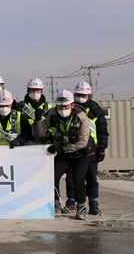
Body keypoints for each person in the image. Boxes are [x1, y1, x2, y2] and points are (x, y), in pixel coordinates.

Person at [32, 89, 98, 220]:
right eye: (60, 106)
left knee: (78, 176)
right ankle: (55, 203)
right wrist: (38, 120)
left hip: (83, 153)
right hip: (64, 151)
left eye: (66, 106)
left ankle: (81, 206)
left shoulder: (81, 117)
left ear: (72, 105)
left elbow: (83, 142)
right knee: (53, 175)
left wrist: (62, 149)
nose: (62, 109)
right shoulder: (52, 114)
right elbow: (39, 135)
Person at [63, 82, 109, 215]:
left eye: (84, 95)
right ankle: (71, 201)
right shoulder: (70, 109)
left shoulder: (95, 110)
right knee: (72, 177)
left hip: (92, 148)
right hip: (75, 148)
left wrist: (102, 147)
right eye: (78, 95)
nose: (81, 97)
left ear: (89, 95)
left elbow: (102, 129)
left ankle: (93, 203)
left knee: (91, 177)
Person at [17, 78, 53, 144]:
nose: (35, 92)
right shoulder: (22, 107)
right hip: (26, 143)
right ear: (28, 91)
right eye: (32, 90)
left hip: (44, 142)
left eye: (37, 90)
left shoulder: (49, 107)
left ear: (41, 91)